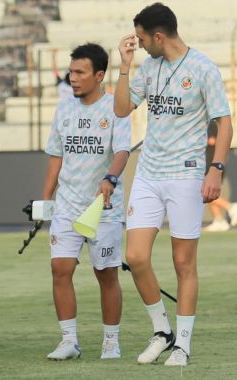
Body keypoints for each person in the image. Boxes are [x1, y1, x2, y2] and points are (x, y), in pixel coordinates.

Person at [114, 2, 233, 366]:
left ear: (159, 36)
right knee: (135, 257)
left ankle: (182, 343)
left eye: (141, 38)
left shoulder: (202, 68)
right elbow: (121, 109)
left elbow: (224, 123)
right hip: (149, 172)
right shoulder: (148, 67)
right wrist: (123, 67)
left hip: (186, 173)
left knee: (184, 263)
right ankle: (161, 331)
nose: (139, 44)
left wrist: (216, 169)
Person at [42, 43, 130, 361]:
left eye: (80, 72)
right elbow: (55, 156)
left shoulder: (117, 107)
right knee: (60, 269)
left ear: (100, 75)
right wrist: (45, 197)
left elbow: (122, 151)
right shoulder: (64, 108)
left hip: (102, 207)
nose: (73, 78)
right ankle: (69, 341)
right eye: (71, 71)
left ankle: (111, 341)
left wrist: (110, 179)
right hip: (67, 203)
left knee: (106, 274)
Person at [203, 121, 237, 231]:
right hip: (207, 163)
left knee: (204, 192)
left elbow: (212, 140)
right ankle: (219, 220)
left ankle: (231, 207)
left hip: (213, 163)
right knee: (208, 194)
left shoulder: (212, 124)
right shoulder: (205, 123)